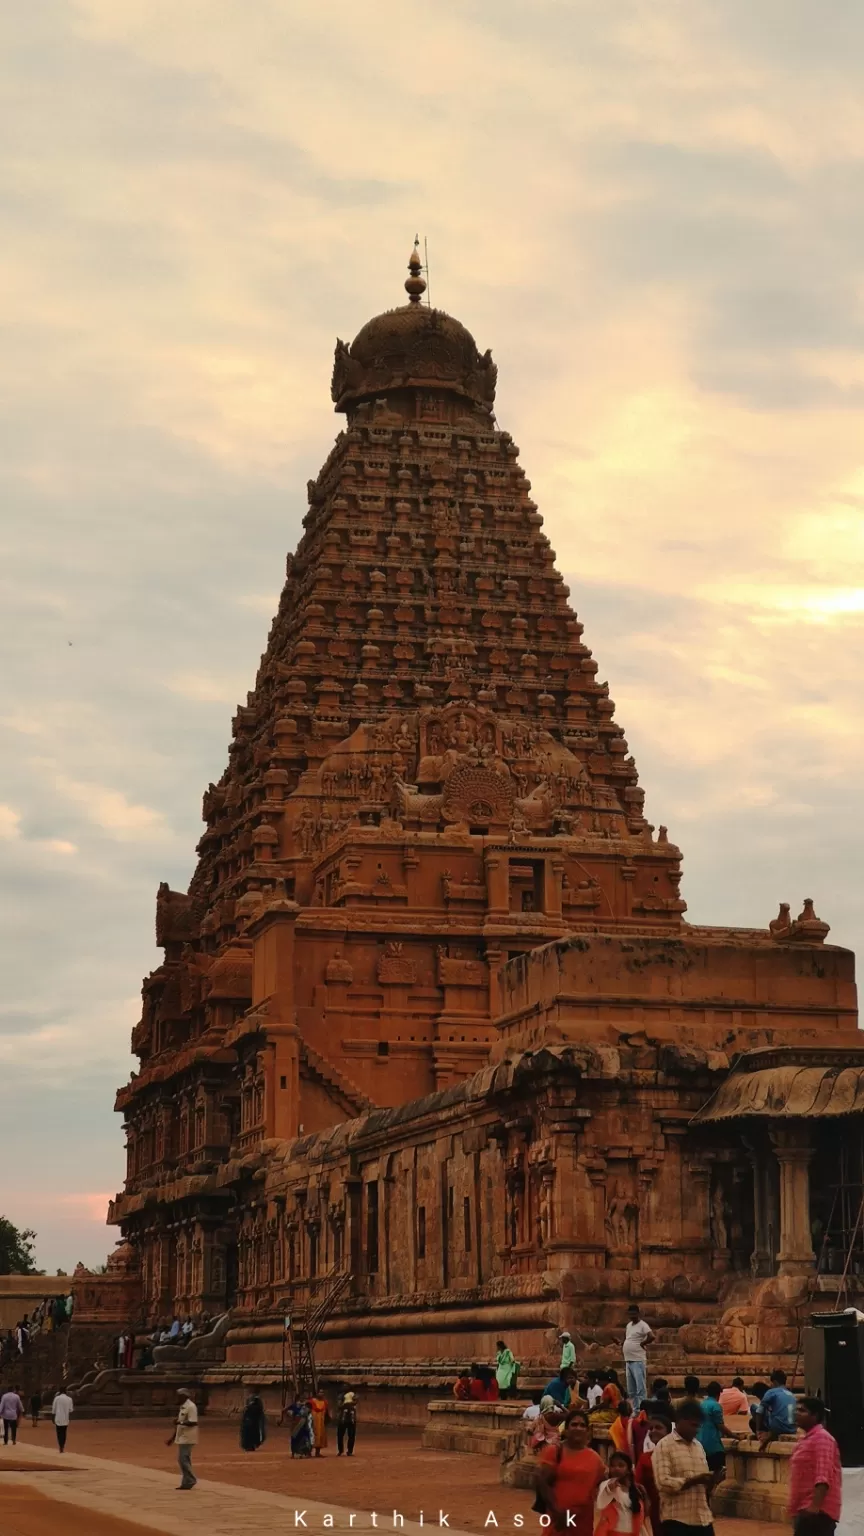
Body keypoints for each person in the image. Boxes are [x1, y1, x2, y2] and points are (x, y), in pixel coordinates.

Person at [652, 1398, 716, 1536]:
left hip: (703, 1518)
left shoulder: (698, 1447)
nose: (696, 1430)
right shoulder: (664, 1446)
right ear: (680, 1421)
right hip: (676, 1520)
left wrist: (712, 1481)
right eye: (693, 1425)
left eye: (698, 1426)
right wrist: (693, 1480)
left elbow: (704, 1487)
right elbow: (663, 1483)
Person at [536, 1408, 604, 1536]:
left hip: (582, 1522)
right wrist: (557, 1512)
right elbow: (543, 1483)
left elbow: (605, 1484)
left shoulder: (595, 1459)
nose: (578, 1428)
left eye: (582, 1425)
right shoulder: (554, 1451)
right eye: (574, 1424)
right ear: (566, 1430)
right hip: (557, 1520)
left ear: (588, 1431)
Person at [789, 1396, 842, 1536]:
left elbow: (823, 1475)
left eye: (802, 1410)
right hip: (806, 1510)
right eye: (796, 1410)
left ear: (815, 1415)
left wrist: (814, 1507)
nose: (797, 1413)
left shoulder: (822, 1439)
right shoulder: (807, 1440)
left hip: (817, 1512)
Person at [635, 1412, 672, 1536]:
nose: (653, 1431)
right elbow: (637, 1485)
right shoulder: (645, 1459)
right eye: (650, 1428)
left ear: (669, 1432)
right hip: (657, 1511)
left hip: (680, 1509)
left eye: (658, 1427)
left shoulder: (678, 1455)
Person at [596, 1451, 646, 1536]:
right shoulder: (606, 1485)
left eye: (621, 1465)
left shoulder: (637, 1490)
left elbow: (643, 1520)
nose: (616, 1468)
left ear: (629, 1470)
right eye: (612, 1466)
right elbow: (600, 1503)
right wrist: (610, 1488)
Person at [623, 1304, 654, 1412]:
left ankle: (643, 1411)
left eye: (634, 1313)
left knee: (640, 1388)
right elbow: (630, 1339)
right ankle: (635, 1410)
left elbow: (651, 1336)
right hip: (628, 1360)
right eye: (630, 1313)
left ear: (638, 1313)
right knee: (631, 1389)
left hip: (638, 1360)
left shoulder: (643, 1325)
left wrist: (643, 1343)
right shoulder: (628, 1325)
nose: (632, 1315)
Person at [755, 1369, 797, 1448]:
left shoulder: (771, 1392)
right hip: (792, 1429)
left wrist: (758, 1430)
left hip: (777, 1427)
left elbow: (759, 1411)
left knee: (754, 1408)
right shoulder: (792, 1395)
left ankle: (763, 1433)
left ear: (774, 1382)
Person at [167, 1388, 198, 1490]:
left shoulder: (191, 1407)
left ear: (184, 1396)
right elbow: (179, 1424)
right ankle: (186, 1482)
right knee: (184, 1459)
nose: (176, 1398)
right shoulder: (183, 1407)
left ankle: (191, 1479)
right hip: (182, 1436)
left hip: (188, 1436)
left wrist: (180, 1423)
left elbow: (193, 1422)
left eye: (178, 1396)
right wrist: (172, 1438)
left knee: (183, 1459)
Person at [697, 1383, 727, 1479]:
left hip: (700, 1442)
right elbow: (720, 1426)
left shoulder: (701, 1404)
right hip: (713, 1445)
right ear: (719, 1393)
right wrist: (735, 1436)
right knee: (719, 1470)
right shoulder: (716, 1406)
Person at [51, 1388, 74, 1452]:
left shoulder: (57, 1398)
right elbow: (71, 1410)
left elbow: (53, 1409)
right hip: (65, 1419)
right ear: (66, 1391)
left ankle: (60, 1445)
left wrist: (52, 1417)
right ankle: (62, 1445)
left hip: (58, 1418)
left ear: (59, 1392)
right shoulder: (69, 1399)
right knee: (64, 1433)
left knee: (59, 1433)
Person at [337, 1391, 357, 1457]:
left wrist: (350, 1403)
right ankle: (340, 1450)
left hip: (351, 1418)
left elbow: (356, 1401)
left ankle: (350, 1451)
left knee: (351, 1435)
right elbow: (339, 1406)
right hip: (343, 1418)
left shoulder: (353, 1394)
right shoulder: (341, 1396)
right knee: (340, 1435)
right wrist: (345, 1404)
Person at [309, 1391, 328, 1456]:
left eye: (322, 1392)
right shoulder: (312, 1401)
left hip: (321, 1423)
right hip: (313, 1422)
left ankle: (317, 1452)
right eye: (320, 1392)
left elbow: (326, 1412)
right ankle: (309, 1452)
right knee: (311, 1435)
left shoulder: (325, 1402)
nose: (321, 1394)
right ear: (316, 1394)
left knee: (320, 1436)